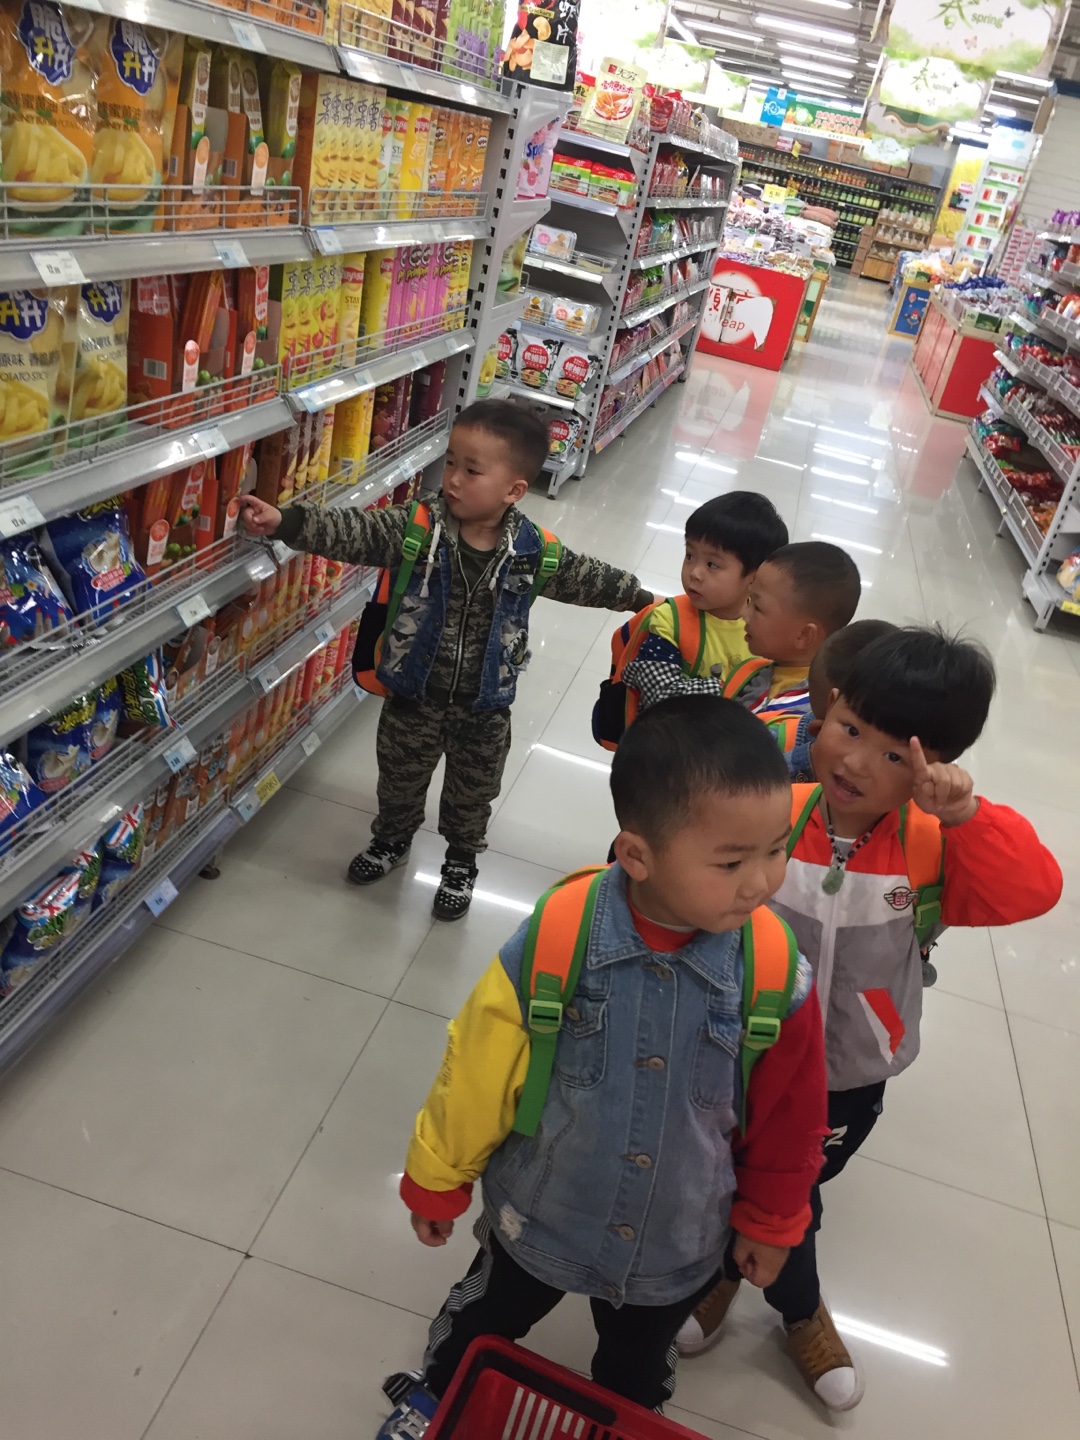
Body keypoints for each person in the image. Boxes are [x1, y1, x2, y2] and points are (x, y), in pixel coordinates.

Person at [382, 698, 828, 1429]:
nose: (760, 883)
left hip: (677, 1240)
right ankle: (434, 1400)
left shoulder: (775, 974)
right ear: (637, 855)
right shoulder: (559, 939)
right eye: (730, 862)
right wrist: (437, 1176)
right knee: (480, 1326)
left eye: (775, 850)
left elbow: (791, 1117)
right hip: (540, 1216)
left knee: (636, 1372)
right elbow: (479, 1070)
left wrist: (773, 1219)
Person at [677, 626, 1063, 1412]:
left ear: (934, 767)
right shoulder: (774, 812)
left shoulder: (933, 847)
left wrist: (967, 816)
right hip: (734, 1052)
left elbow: (1034, 889)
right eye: (850, 730)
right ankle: (785, 1301)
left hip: (847, 1077)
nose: (855, 762)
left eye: (894, 755)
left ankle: (762, 1288)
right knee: (726, 1171)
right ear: (829, 708)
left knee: (797, 1183)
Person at [240, 399, 652, 920]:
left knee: (472, 794)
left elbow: (585, 576)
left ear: (514, 490)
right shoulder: (417, 527)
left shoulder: (532, 551)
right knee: (398, 780)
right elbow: (353, 531)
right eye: (452, 461)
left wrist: (642, 599)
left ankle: (461, 862)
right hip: (413, 696)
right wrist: (285, 521)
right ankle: (392, 839)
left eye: (472, 470)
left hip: (485, 708)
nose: (453, 478)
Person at [625, 540, 860, 724]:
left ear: (804, 636)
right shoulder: (752, 672)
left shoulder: (808, 715)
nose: (744, 614)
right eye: (749, 600)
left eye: (757, 607)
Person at [770, 618, 898, 782]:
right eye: (852, 732)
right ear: (818, 730)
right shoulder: (772, 761)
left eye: (894, 756)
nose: (857, 766)